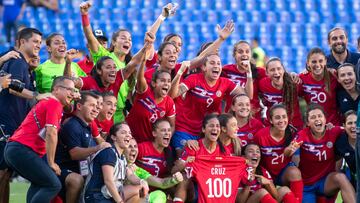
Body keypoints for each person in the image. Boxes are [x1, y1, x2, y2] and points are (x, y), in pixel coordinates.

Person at [80, 1, 170, 123]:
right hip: (98, 111)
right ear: (114, 42)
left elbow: (144, 48)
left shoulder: (129, 67)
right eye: (123, 38)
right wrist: (84, 15)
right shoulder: (104, 56)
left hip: (119, 115)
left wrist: (161, 18)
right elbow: (90, 36)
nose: (127, 41)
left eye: (130, 39)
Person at [4, 76, 75, 203]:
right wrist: (51, 162)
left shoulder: (51, 103)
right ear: (56, 89)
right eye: (69, 89)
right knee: (53, 185)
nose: (72, 93)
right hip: (22, 149)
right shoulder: (54, 103)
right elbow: (51, 133)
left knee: (40, 183)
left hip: (15, 149)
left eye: (74, 90)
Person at [169, 53, 252, 156]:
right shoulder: (194, 79)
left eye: (218, 63)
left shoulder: (225, 83)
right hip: (185, 129)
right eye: (212, 63)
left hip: (207, 132)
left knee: (205, 161)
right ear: (204, 67)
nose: (216, 66)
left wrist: (248, 73)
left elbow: (248, 95)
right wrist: (180, 72)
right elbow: (172, 94)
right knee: (184, 158)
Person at [0, 27, 43, 203]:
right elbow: (12, 87)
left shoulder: (24, 64)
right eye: (35, 41)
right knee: (2, 172)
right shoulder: (17, 60)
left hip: (13, 126)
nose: (38, 45)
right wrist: (36, 95)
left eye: (40, 42)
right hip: (6, 126)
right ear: (22, 42)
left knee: (6, 173)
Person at [55, 91, 111, 203]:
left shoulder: (87, 125)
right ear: (79, 106)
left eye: (97, 106)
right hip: (61, 170)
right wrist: (97, 148)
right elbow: (74, 153)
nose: (96, 109)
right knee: (77, 180)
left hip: (81, 169)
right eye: (91, 105)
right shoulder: (72, 125)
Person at [295, 103, 355, 202]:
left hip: (326, 182)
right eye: (313, 117)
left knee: (341, 178)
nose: (317, 119)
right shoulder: (302, 135)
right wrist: (291, 151)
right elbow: (291, 151)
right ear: (308, 123)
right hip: (307, 186)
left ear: (325, 119)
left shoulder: (333, 131)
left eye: (320, 116)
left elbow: (349, 129)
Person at [171, 114, 231, 203]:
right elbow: (173, 171)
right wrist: (184, 163)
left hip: (214, 189)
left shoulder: (224, 151)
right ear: (203, 129)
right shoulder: (194, 146)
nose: (215, 128)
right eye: (211, 126)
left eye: (217, 126)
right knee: (184, 177)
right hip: (195, 189)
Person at [83, 123, 149, 203]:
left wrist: (142, 181)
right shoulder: (109, 152)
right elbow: (108, 181)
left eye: (129, 133)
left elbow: (130, 175)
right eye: (123, 132)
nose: (128, 135)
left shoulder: (122, 157)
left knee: (138, 190)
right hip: (96, 196)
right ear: (113, 137)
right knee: (136, 190)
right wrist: (120, 201)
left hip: (107, 196)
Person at [254, 104, 303, 202]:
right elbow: (255, 156)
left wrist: (289, 151)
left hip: (282, 172)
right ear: (271, 120)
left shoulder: (293, 133)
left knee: (295, 172)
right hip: (265, 171)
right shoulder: (260, 135)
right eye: (277, 118)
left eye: (284, 117)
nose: (281, 120)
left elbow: (291, 156)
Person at [126, 56, 175, 143]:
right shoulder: (144, 92)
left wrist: (162, 142)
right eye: (163, 80)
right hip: (130, 139)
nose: (166, 84)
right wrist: (143, 61)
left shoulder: (169, 102)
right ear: (153, 83)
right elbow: (140, 78)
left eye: (169, 81)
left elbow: (171, 125)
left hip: (149, 144)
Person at [125, 137, 183, 203]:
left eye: (135, 146)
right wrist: (141, 181)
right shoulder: (116, 163)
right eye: (129, 146)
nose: (133, 149)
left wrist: (174, 180)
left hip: (136, 200)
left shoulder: (137, 170)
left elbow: (161, 183)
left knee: (159, 194)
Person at [222, 40, 267, 120]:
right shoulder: (226, 70)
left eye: (247, 51)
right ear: (234, 55)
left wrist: (292, 75)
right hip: (231, 119)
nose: (244, 54)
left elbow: (278, 75)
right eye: (240, 52)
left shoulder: (260, 72)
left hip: (253, 119)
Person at [259, 57, 303, 130]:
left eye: (279, 69)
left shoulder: (294, 83)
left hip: (293, 126)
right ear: (266, 72)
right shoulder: (263, 84)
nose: (276, 72)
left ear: (283, 70)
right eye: (272, 70)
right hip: (272, 126)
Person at [299, 47, 340, 125]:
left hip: (334, 125)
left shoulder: (334, 76)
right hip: (315, 126)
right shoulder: (302, 79)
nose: (317, 65)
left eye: (320, 61)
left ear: (325, 61)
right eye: (314, 62)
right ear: (308, 63)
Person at [335, 111, 357, 188]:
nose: (353, 126)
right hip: (353, 182)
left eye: (356, 122)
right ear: (344, 126)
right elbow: (336, 169)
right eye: (350, 123)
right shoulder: (341, 143)